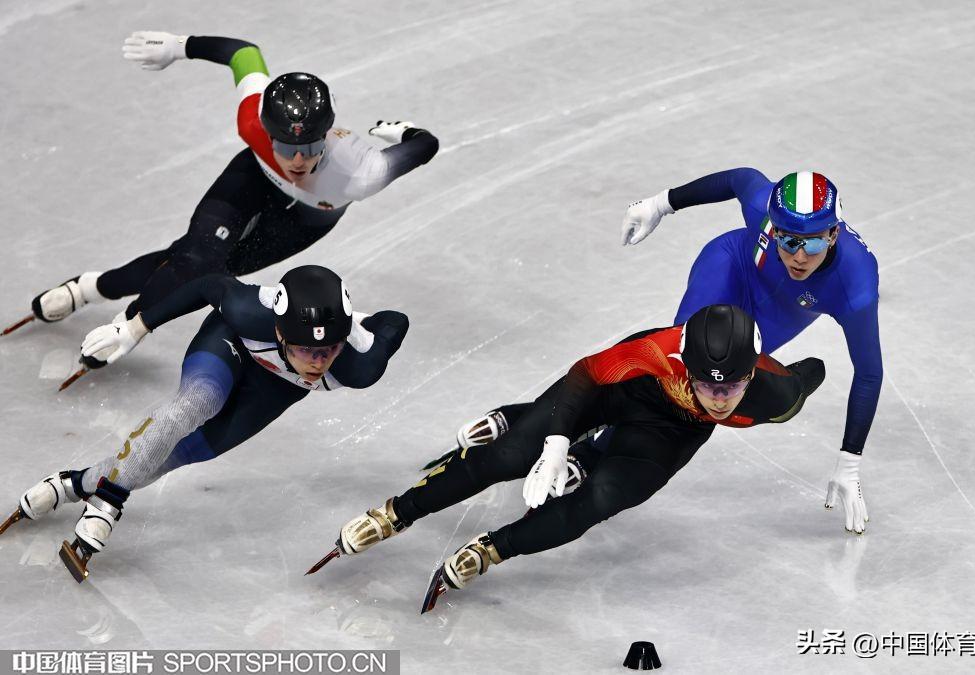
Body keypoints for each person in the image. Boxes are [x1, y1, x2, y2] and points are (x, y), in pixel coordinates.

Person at [328, 305, 825, 606]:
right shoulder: (657, 351)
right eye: (706, 384)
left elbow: (809, 373)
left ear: (752, 375)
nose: (718, 399)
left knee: (601, 498)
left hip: (671, 432)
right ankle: (396, 512)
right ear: (685, 364)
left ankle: (494, 549)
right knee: (510, 457)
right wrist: (556, 442)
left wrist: (809, 375)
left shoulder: (775, 397)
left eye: (732, 386)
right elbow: (585, 375)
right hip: (620, 390)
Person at [21, 30, 437, 370]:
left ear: (326, 136)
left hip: (307, 218)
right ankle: (95, 295)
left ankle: (99, 297)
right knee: (194, 257)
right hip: (253, 177)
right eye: (284, 146)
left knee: (214, 268)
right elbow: (243, 53)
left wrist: (407, 133)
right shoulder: (252, 119)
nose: (297, 161)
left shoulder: (360, 173)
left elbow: (426, 146)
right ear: (266, 131)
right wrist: (179, 46)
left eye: (310, 148)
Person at [1, 265, 409, 582]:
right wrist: (136, 328)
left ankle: (75, 484)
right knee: (196, 403)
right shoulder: (249, 311)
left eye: (329, 349)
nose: (318, 362)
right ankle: (107, 499)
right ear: (280, 331)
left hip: (275, 390)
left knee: (181, 454)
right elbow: (207, 284)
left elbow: (397, 320)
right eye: (306, 349)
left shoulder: (358, 366)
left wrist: (359, 331)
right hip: (230, 342)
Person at [620, 169, 880, 534]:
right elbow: (739, 178)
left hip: (779, 315)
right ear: (773, 228)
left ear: (833, 234)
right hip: (731, 266)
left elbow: (869, 373)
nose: (799, 257)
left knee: (713, 389)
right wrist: (661, 204)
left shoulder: (856, 282)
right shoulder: (761, 206)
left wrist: (849, 461)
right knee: (678, 364)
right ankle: (594, 432)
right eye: (788, 240)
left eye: (812, 244)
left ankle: (610, 447)